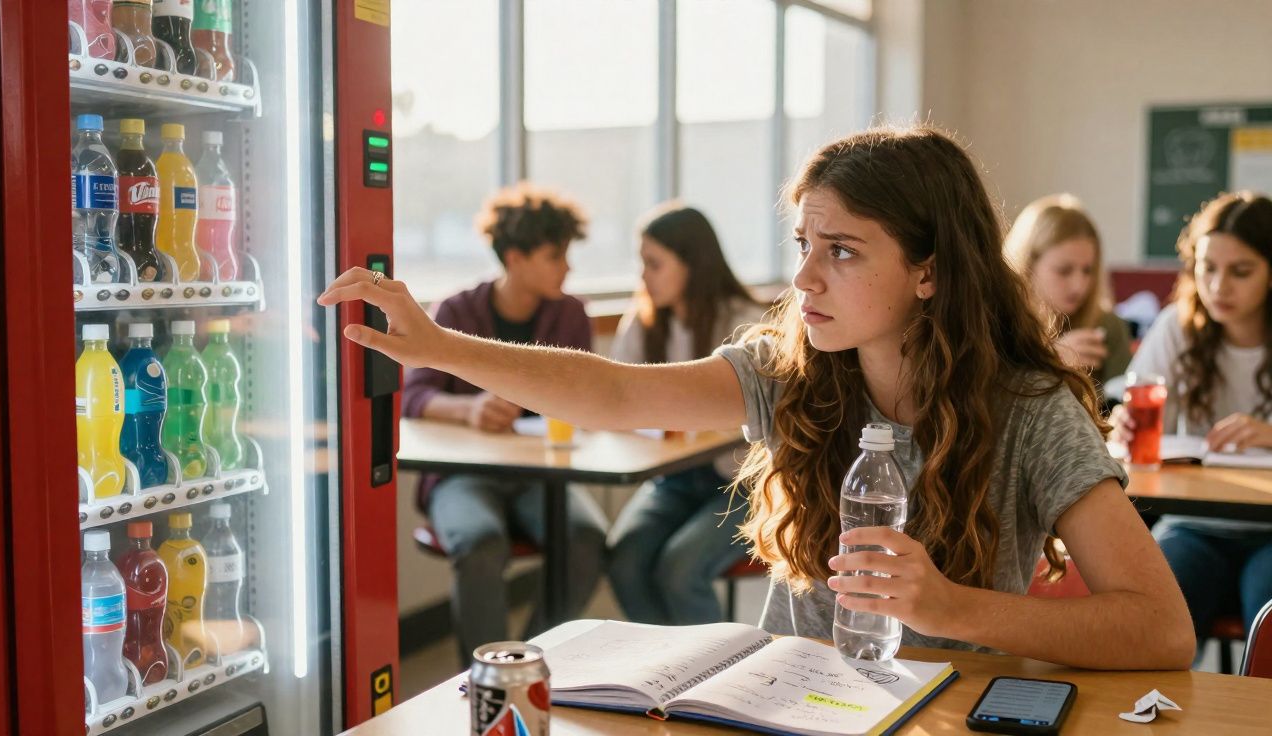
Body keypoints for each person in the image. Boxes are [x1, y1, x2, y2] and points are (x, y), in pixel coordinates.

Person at [324, 124, 1193, 670]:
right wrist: (436, 346)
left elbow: (1160, 630)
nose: (804, 277)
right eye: (803, 242)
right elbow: (615, 395)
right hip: (790, 697)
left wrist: (948, 607)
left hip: (948, 707)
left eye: (842, 250)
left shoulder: (1030, 409)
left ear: (930, 271)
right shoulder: (794, 372)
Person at [398, 183, 609, 664]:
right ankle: (482, 685)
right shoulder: (455, 311)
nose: (568, 267)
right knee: (478, 544)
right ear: (515, 257)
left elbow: (588, 395)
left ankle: (528, 665)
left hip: (545, 475)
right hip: (464, 475)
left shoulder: (570, 315)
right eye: (555, 255)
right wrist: (469, 409)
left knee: (585, 539)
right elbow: (414, 396)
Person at [1113, 191, 1272, 657]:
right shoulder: (1175, 328)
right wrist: (1125, 426)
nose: (1220, 285)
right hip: (1194, 524)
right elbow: (1139, 412)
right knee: (1152, 612)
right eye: (1208, 268)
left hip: (1269, 531)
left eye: (1241, 271)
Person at [606, 203, 769, 624]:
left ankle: (720, 674)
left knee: (680, 570)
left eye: (654, 264)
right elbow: (616, 397)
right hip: (675, 480)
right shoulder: (643, 322)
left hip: (743, 484)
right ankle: (666, 668)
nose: (643, 276)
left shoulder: (745, 324)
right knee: (624, 559)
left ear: (692, 265)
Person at [1004, 194, 1133, 389]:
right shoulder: (999, 323)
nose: (1079, 286)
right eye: (1064, 271)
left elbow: (1121, 403)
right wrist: (1051, 362)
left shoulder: (1108, 326)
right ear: (1027, 266)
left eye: (1088, 270)